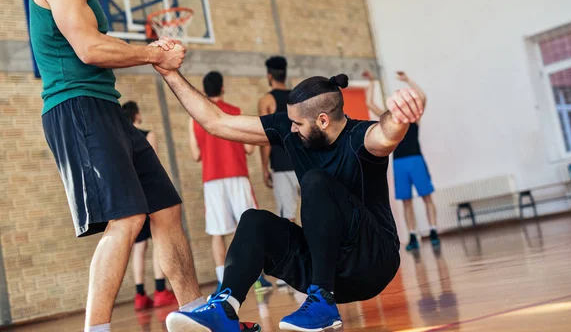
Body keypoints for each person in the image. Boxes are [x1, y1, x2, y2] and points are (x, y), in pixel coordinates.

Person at [155, 67, 424, 332]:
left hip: (373, 263)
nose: (291, 129)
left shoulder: (359, 137)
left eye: (298, 123)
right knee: (254, 220)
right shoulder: (292, 129)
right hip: (329, 268)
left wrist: (402, 113)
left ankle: (321, 301)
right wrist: (169, 73)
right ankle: (225, 311)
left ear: (322, 121)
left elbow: (386, 134)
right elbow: (217, 122)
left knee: (315, 182)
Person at [30, 0, 205, 330]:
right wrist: (154, 53)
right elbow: (89, 49)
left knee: (165, 208)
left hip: (105, 106)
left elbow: (100, 45)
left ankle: (196, 314)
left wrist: (152, 51)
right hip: (75, 106)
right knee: (127, 218)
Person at [188, 72, 271, 293]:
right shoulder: (234, 112)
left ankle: (222, 282)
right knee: (250, 228)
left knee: (217, 232)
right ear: (223, 88)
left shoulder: (195, 118)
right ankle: (258, 277)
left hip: (212, 181)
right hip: (237, 176)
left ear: (204, 91)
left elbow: (195, 154)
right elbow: (250, 148)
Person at [364, 70, 439, 251]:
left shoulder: (414, 118)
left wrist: (408, 80)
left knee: (426, 196)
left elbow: (423, 97)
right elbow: (369, 103)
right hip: (399, 163)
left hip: (416, 160)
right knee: (406, 201)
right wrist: (372, 82)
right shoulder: (389, 120)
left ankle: (433, 230)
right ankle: (413, 235)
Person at [121, 101, 178, 311]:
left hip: (130, 196)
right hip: (149, 193)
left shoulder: (120, 138)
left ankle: (139, 295)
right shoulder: (147, 134)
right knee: (157, 240)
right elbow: (152, 166)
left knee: (139, 246)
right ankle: (160, 290)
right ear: (136, 115)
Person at [258, 56, 300, 223]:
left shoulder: (267, 100)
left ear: (269, 76)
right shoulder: (299, 98)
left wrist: (264, 168)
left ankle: (297, 250)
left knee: (287, 219)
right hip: (304, 163)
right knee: (315, 213)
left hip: (282, 166)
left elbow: (265, 138)